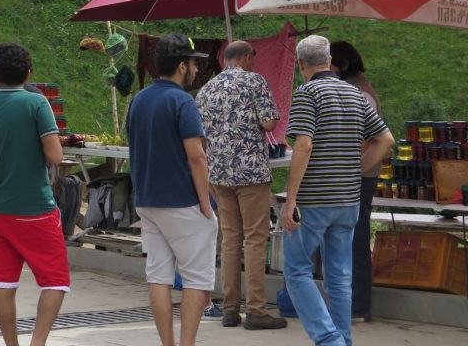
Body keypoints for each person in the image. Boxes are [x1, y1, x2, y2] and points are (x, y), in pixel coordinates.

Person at [283, 35, 393, 346]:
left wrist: (290, 200)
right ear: (330, 60)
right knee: (340, 276)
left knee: (297, 272)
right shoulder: (355, 93)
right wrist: (356, 171)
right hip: (348, 201)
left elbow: (303, 145)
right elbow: (386, 140)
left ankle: (329, 340)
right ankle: (343, 339)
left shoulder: (308, 93)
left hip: (315, 201)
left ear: (300, 63)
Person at [0, 43, 68, 346]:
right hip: (35, 208)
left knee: (4, 282)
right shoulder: (37, 104)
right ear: (29, 73)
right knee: (55, 281)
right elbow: (56, 157)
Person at [127, 33, 216, 346]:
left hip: (148, 199)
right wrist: (206, 204)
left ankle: (168, 343)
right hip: (182, 201)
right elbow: (197, 156)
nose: (195, 69)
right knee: (198, 279)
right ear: (181, 65)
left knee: (159, 277)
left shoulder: (139, 99)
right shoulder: (182, 101)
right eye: (193, 63)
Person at [196, 41, 286, 330]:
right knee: (256, 239)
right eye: (253, 58)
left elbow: (199, 133)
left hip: (219, 174)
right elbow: (270, 124)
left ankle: (230, 310)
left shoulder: (207, 88)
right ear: (247, 56)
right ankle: (257, 310)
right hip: (251, 174)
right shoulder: (254, 81)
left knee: (231, 240)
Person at [330, 40, 381, 323]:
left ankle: (359, 306)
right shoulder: (354, 87)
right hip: (354, 174)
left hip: (360, 175)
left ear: (344, 65)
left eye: (331, 65)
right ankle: (349, 301)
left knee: (357, 240)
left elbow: (369, 139)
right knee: (346, 238)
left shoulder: (362, 93)